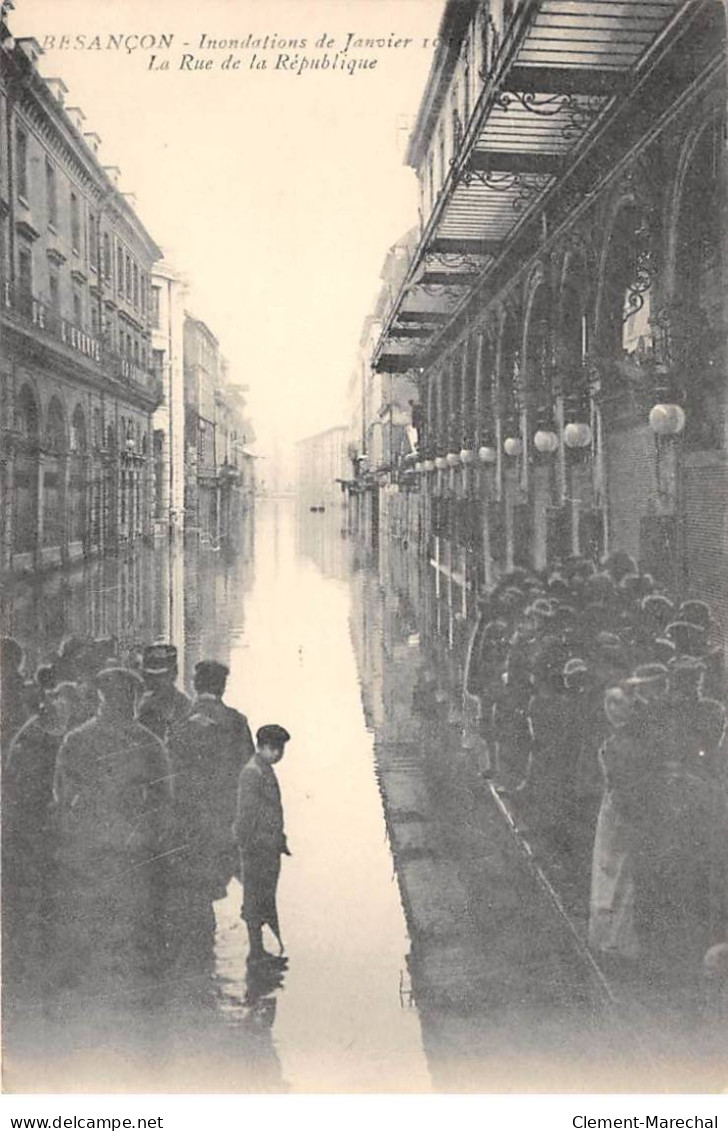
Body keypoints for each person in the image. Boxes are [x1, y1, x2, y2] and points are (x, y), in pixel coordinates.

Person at [53, 666, 174, 989]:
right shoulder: (149, 742)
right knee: (134, 922)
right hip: (134, 848)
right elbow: (165, 799)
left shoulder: (75, 739)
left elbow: (62, 798)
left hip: (90, 845)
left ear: (101, 698)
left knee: (90, 919)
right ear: (131, 700)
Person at [234, 724, 292, 966]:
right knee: (255, 897)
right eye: (275, 749)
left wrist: (279, 839)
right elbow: (246, 815)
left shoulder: (263, 769)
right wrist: (247, 847)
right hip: (257, 848)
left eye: (281, 749)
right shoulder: (253, 772)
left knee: (263, 896)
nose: (279, 754)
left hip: (267, 846)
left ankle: (259, 950)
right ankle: (255, 952)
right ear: (264, 747)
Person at [138, 643, 191, 743]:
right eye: (150, 676)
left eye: (161, 676)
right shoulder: (138, 702)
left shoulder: (183, 706)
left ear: (174, 674)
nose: (154, 682)